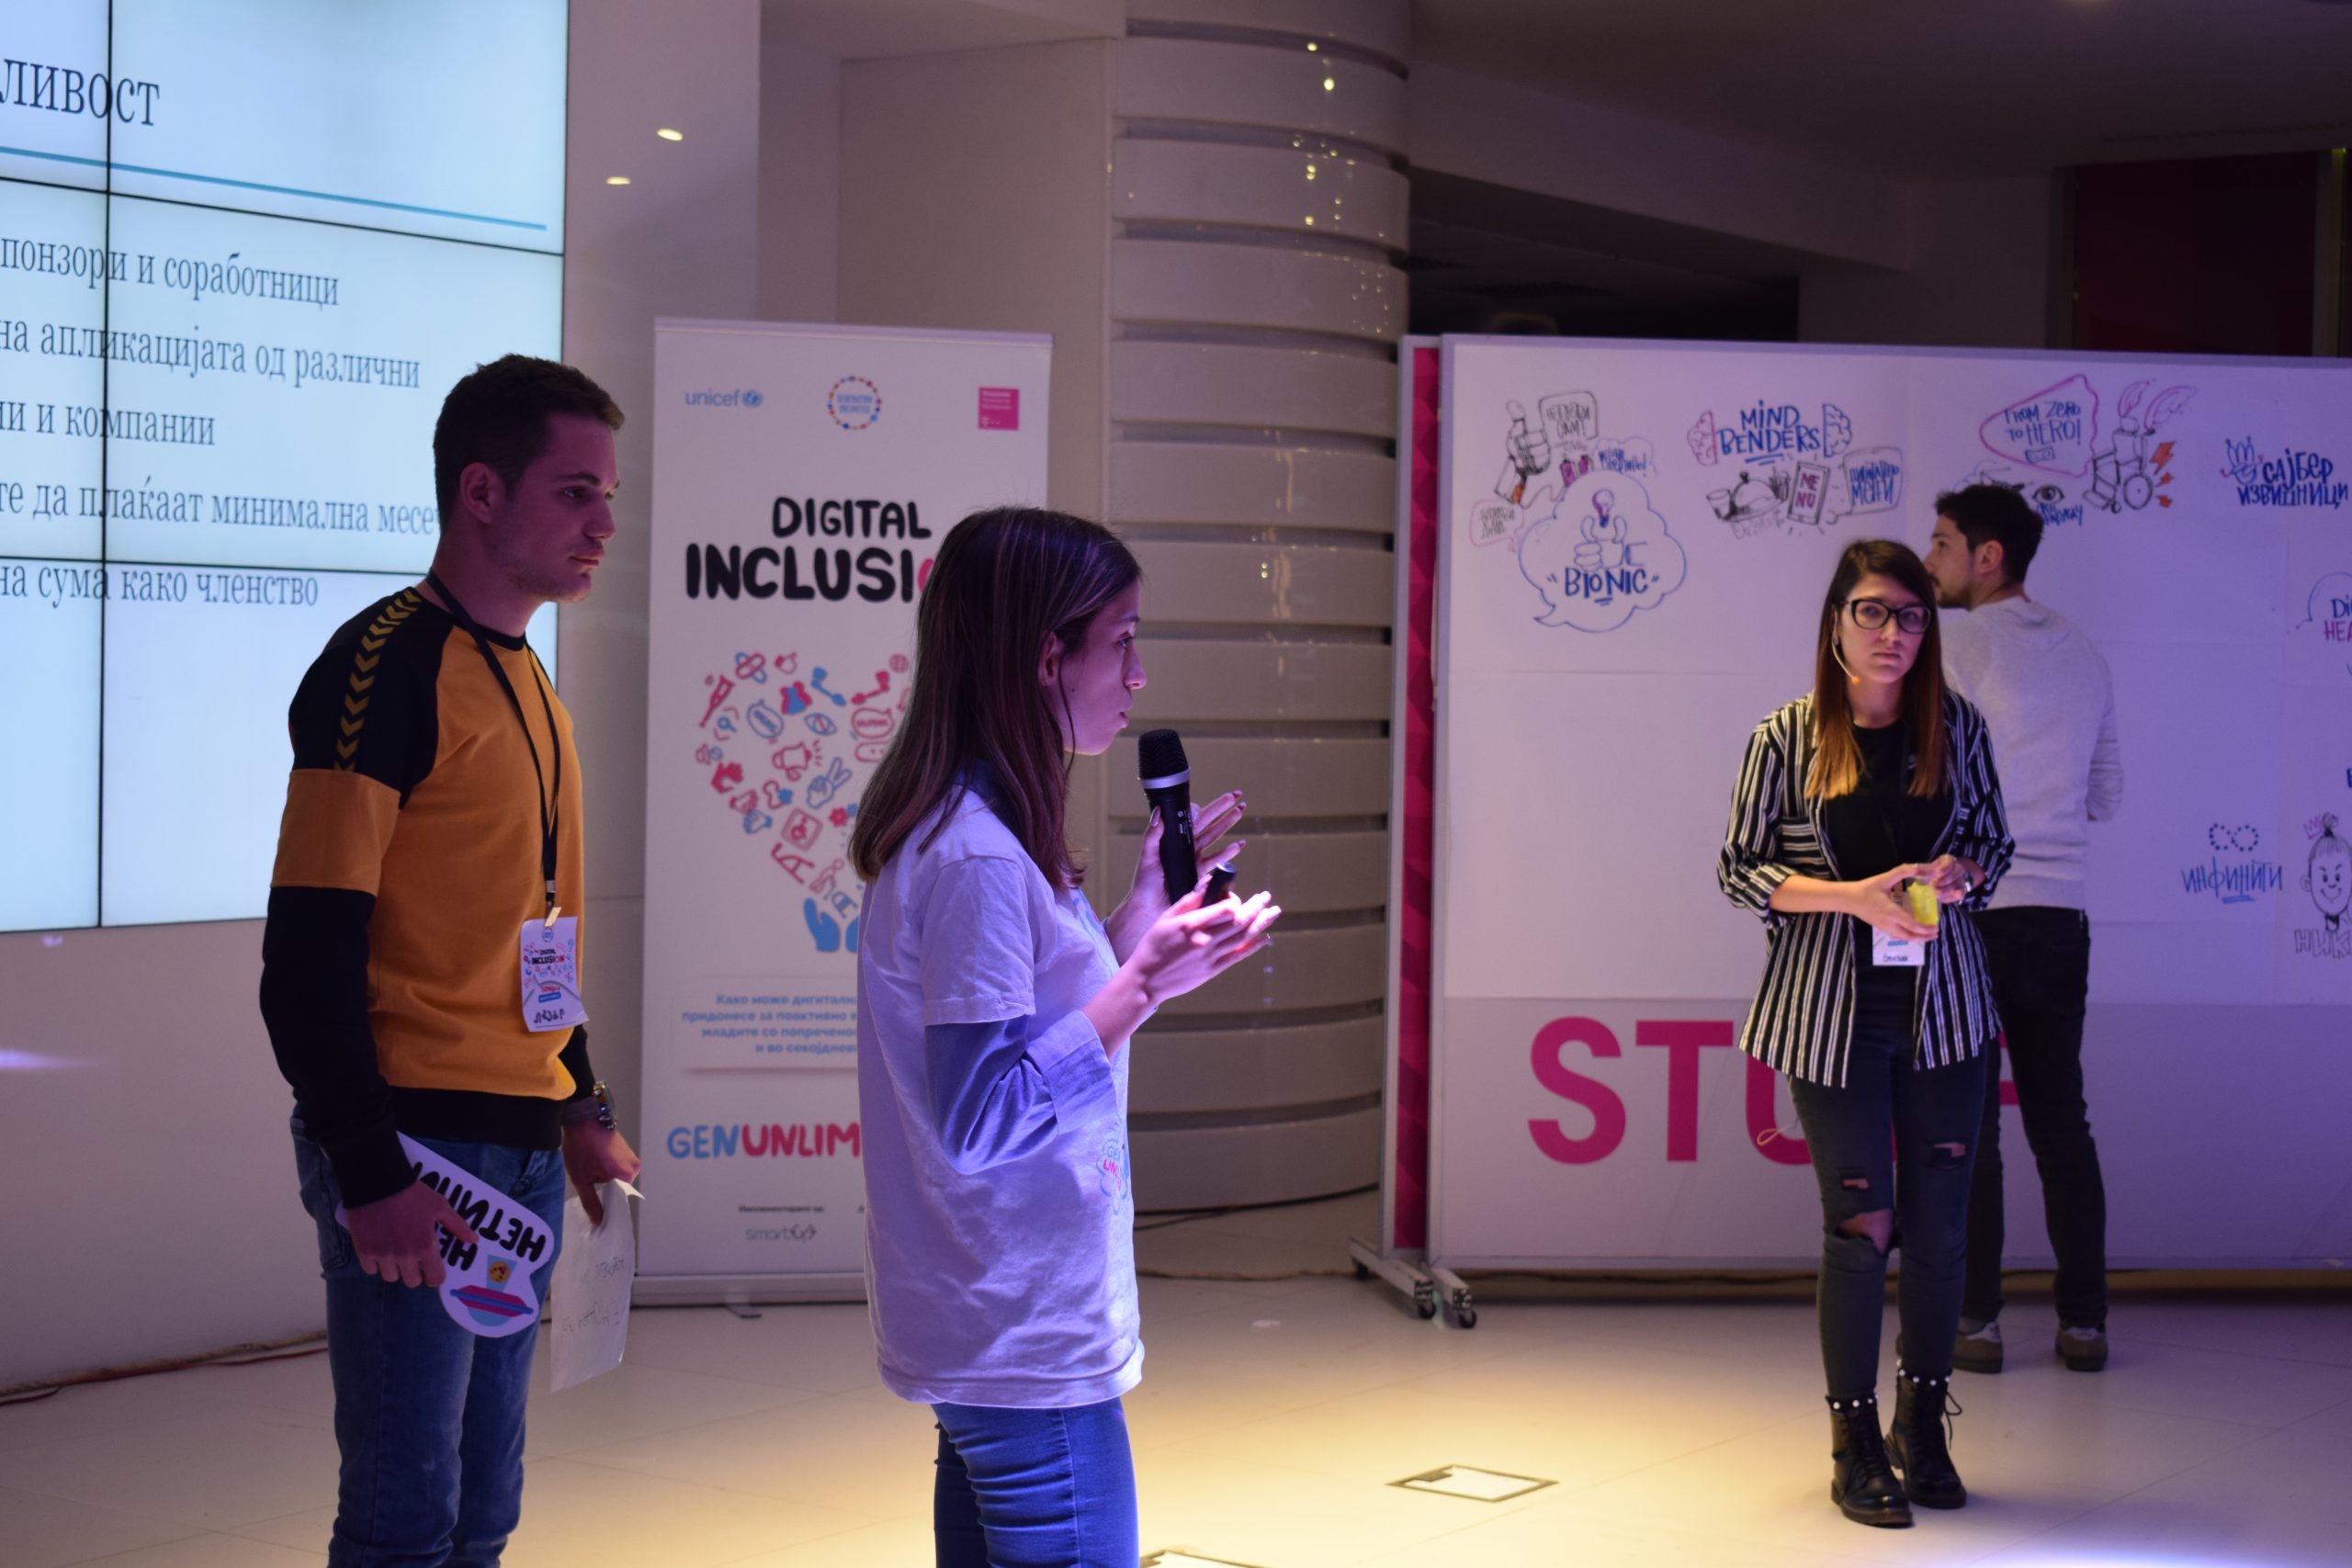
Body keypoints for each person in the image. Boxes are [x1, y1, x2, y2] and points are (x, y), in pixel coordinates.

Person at [260, 355, 643, 1567]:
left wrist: (578, 1102)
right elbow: (307, 949)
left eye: (608, 495)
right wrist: (368, 1168)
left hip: (516, 1146)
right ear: (482, 491)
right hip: (417, 1148)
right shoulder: (383, 665)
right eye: (575, 493)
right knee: (405, 1515)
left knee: (482, 1512)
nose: (604, 524)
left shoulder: (528, 676)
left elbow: (535, 931)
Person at [849, 506, 1280, 1567]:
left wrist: (1138, 935)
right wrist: (1139, 985)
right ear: (1048, 658)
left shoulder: (985, 832)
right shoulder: (978, 859)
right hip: (1021, 1334)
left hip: (1000, 1325)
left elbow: (1040, 1023)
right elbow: (980, 1115)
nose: (1138, 676)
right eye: (1121, 642)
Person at [1718, 538, 2015, 1529]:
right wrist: (1853, 896)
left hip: (1946, 1011)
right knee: (1861, 1227)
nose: (1893, 632)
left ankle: (1920, 1426)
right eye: (1873, 612)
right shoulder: (1786, 736)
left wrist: (1961, 874)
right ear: (1837, 623)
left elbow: (1993, 843)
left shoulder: (1955, 727)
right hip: (1830, 1015)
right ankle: (1852, 1440)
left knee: (1939, 1227)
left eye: (1912, 615)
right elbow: (1740, 870)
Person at [1925, 484, 2123, 1374]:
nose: (1929, 561)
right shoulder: (2084, 651)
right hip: (2059, 913)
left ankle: (1977, 1323)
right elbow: (2107, 794)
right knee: (2061, 1120)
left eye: (1941, 543)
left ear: (1987, 555)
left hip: (1973, 910)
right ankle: (2084, 1323)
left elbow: (1931, 780)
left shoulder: (1956, 645)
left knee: (1973, 1127)